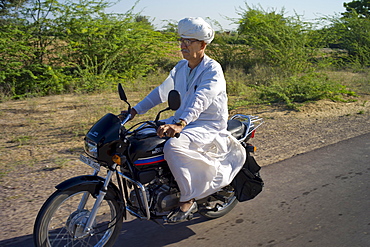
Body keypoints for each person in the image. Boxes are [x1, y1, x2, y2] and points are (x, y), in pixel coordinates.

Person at [128, 17, 246, 223]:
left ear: (202, 45)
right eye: (181, 40)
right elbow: (161, 92)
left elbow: (202, 98)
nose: (183, 45)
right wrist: (135, 111)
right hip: (182, 118)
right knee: (140, 135)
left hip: (207, 124)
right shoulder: (181, 67)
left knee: (173, 147)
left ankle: (188, 198)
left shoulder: (212, 70)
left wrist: (180, 124)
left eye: (188, 41)